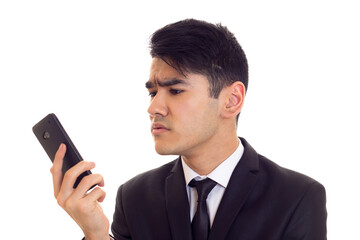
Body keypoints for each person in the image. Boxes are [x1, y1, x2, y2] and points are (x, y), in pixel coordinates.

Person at [51, 19, 327, 240]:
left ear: (232, 100)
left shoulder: (296, 197)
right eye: (152, 93)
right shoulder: (135, 197)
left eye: (175, 90)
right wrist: (96, 235)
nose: (154, 107)